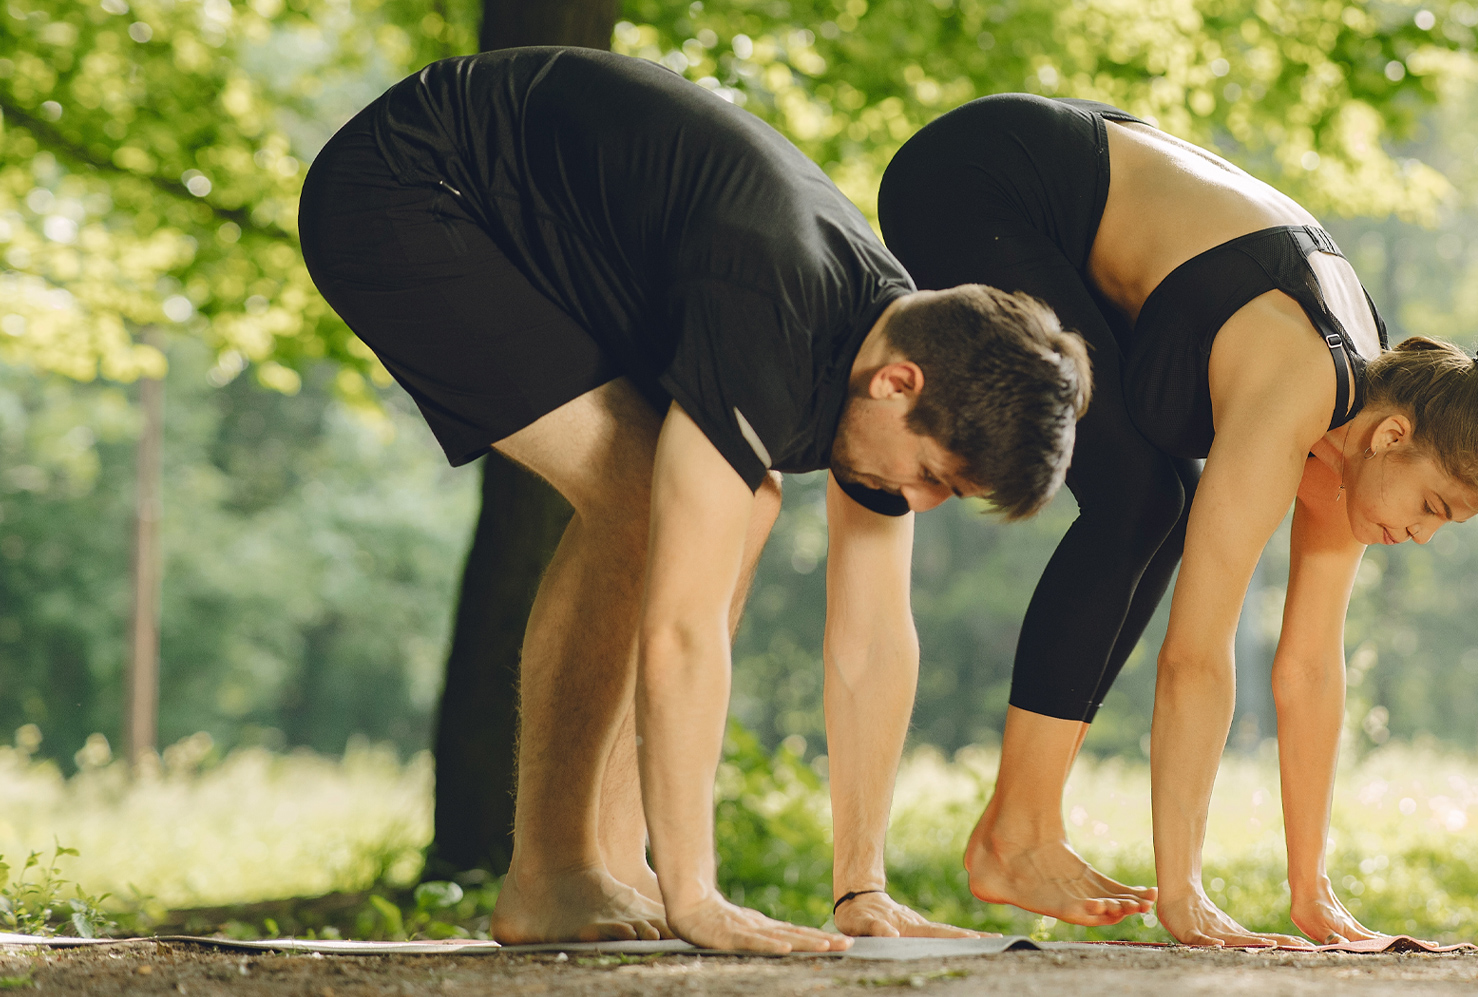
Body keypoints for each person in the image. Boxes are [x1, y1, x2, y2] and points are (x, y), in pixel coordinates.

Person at [298, 49, 1092, 953]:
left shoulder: (894, 345)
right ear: (896, 383)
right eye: (936, 477)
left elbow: (872, 638)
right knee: (647, 503)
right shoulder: (772, 307)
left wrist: (860, 886)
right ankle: (553, 872)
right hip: (409, 187)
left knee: (738, 504)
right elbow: (681, 628)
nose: (925, 501)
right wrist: (699, 898)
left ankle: (617, 861)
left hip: (533, 219)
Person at [879, 94, 1478, 946]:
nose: (1419, 534)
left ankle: (1020, 828)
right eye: (1432, 507)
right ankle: (1018, 833)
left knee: (1151, 494)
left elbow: (1308, 668)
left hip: (1070, 206)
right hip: (981, 175)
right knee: (1139, 496)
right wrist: (1183, 896)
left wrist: (1312, 893)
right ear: (1393, 434)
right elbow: (1195, 655)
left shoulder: (1361, 422)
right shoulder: (1299, 379)